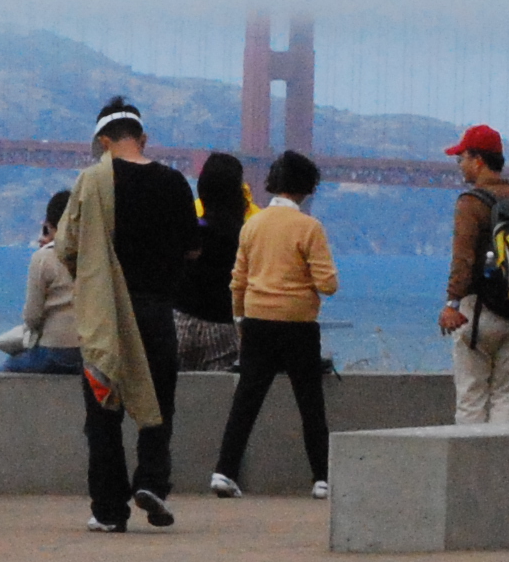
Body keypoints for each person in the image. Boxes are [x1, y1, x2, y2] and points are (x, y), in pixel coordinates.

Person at [55, 97, 199, 532]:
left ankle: (108, 510)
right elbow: (192, 249)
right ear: (143, 138)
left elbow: (66, 246)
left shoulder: (92, 181)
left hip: (107, 312)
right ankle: (152, 481)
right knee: (158, 402)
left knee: (103, 410)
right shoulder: (175, 182)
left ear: (103, 141)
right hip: (156, 310)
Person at [210, 150, 339, 497]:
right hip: (298, 324)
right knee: (310, 404)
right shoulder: (309, 228)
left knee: (246, 401)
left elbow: (238, 280)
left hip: (256, 322)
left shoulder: (252, 225)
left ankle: (224, 472)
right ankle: (322, 478)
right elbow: (328, 284)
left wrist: (241, 318)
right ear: (307, 187)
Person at [438, 123, 509, 425]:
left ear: (478, 160)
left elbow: (463, 259)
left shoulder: (471, 202)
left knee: (471, 397)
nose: (459, 164)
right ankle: (501, 456)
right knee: (507, 398)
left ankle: (470, 458)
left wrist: (452, 303)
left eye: (462, 157)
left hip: (479, 312)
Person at [174, 152, 251, 375]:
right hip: (223, 327)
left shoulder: (188, 231)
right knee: (220, 393)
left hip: (181, 322)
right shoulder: (244, 236)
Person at [0, 191, 84, 373]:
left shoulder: (43, 258)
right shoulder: (96, 256)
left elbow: (32, 317)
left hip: (54, 350)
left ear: (49, 226)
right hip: (88, 354)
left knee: (7, 369)